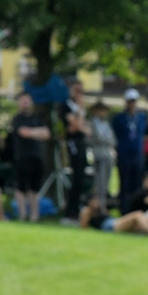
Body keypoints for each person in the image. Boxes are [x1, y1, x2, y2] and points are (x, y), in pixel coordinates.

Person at [10, 93, 50, 221]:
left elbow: (46, 133)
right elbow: (23, 132)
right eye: (23, 100)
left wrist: (32, 132)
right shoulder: (17, 119)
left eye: (28, 100)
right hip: (22, 157)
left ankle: (34, 216)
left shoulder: (37, 118)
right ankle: (22, 214)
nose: (25, 102)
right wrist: (37, 132)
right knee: (21, 186)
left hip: (36, 156)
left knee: (34, 188)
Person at [111, 89, 147, 213]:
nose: (132, 104)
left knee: (136, 184)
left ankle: (134, 209)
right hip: (124, 154)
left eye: (134, 101)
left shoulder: (141, 117)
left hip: (137, 155)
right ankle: (124, 210)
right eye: (130, 101)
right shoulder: (119, 118)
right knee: (124, 184)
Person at [60, 81, 90, 222]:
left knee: (81, 177)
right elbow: (76, 126)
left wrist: (81, 125)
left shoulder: (80, 109)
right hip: (73, 143)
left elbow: (87, 130)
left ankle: (76, 208)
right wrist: (79, 113)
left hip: (81, 143)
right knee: (76, 176)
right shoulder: (66, 106)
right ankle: (69, 211)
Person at [88, 101, 116, 209]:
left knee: (106, 184)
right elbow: (97, 138)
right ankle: (99, 208)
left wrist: (106, 141)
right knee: (100, 183)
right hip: (99, 155)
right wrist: (106, 141)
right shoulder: (92, 123)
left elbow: (113, 140)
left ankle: (103, 206)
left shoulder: (106, 124)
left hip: (108, 155)